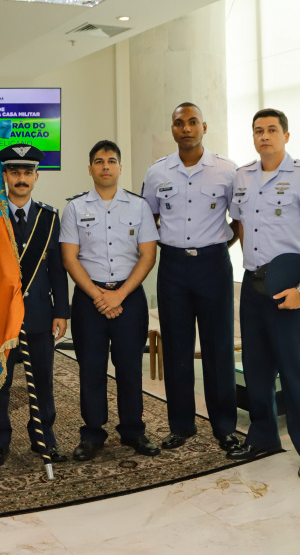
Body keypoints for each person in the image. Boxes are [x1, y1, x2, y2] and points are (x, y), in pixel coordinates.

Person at [141, 103, 240, 453]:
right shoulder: (157, 173)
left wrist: (216, 248)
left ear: (204, 127)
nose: (186, 129)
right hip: (172, 268)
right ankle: (181, 426)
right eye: (179, 123)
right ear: (172, 129)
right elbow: (148, 220)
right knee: (177, 348)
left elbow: (238, 221)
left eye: (193, 122)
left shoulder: (227, 171)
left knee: (218, 349)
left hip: (214, 266)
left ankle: (225, 427)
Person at [59, 140, 160, 461]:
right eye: (99, 161)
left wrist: (118, 294)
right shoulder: (75, 208)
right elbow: (70, 259)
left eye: (111, 161)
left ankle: (133, 431)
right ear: (90, 169)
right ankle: (92, 434)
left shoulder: (138, 206)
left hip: (128, 298)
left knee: (129, 366)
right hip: (90, 300)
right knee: (91, 367)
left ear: (119, 167)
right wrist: (98, 295)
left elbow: (147, 255)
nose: (105, 166)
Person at [0, 143, 70, 468]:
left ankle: (44, 437)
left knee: (43, 381)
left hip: (39, 317)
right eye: (14, 172)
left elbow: (57, 269)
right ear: (4, 175)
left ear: (36, 176)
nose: (21, 178)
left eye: (27, 172)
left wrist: (62, 311)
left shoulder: (49, 217)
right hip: (0, 319)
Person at [227, 108, 300, 477]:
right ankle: (263, 437)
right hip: (253, 286)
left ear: (286, 135)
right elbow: (238, 222)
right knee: (256, 369)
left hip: (290, 289)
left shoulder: (299, 177)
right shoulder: (243, 176)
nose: (265, 136)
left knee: (294, 372)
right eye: (258, 130)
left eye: (272, 130)